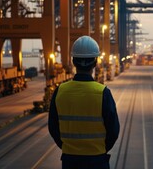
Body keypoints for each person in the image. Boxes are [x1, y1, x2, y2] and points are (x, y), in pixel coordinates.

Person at [48, 35, 119, 169]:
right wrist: (99, 149)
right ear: (95, 62)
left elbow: (53, 128)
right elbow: (113, 131)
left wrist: (68, 148)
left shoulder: (60, 91)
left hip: (70, 161)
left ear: (73, 61)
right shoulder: (103, 93)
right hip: (97, 160)